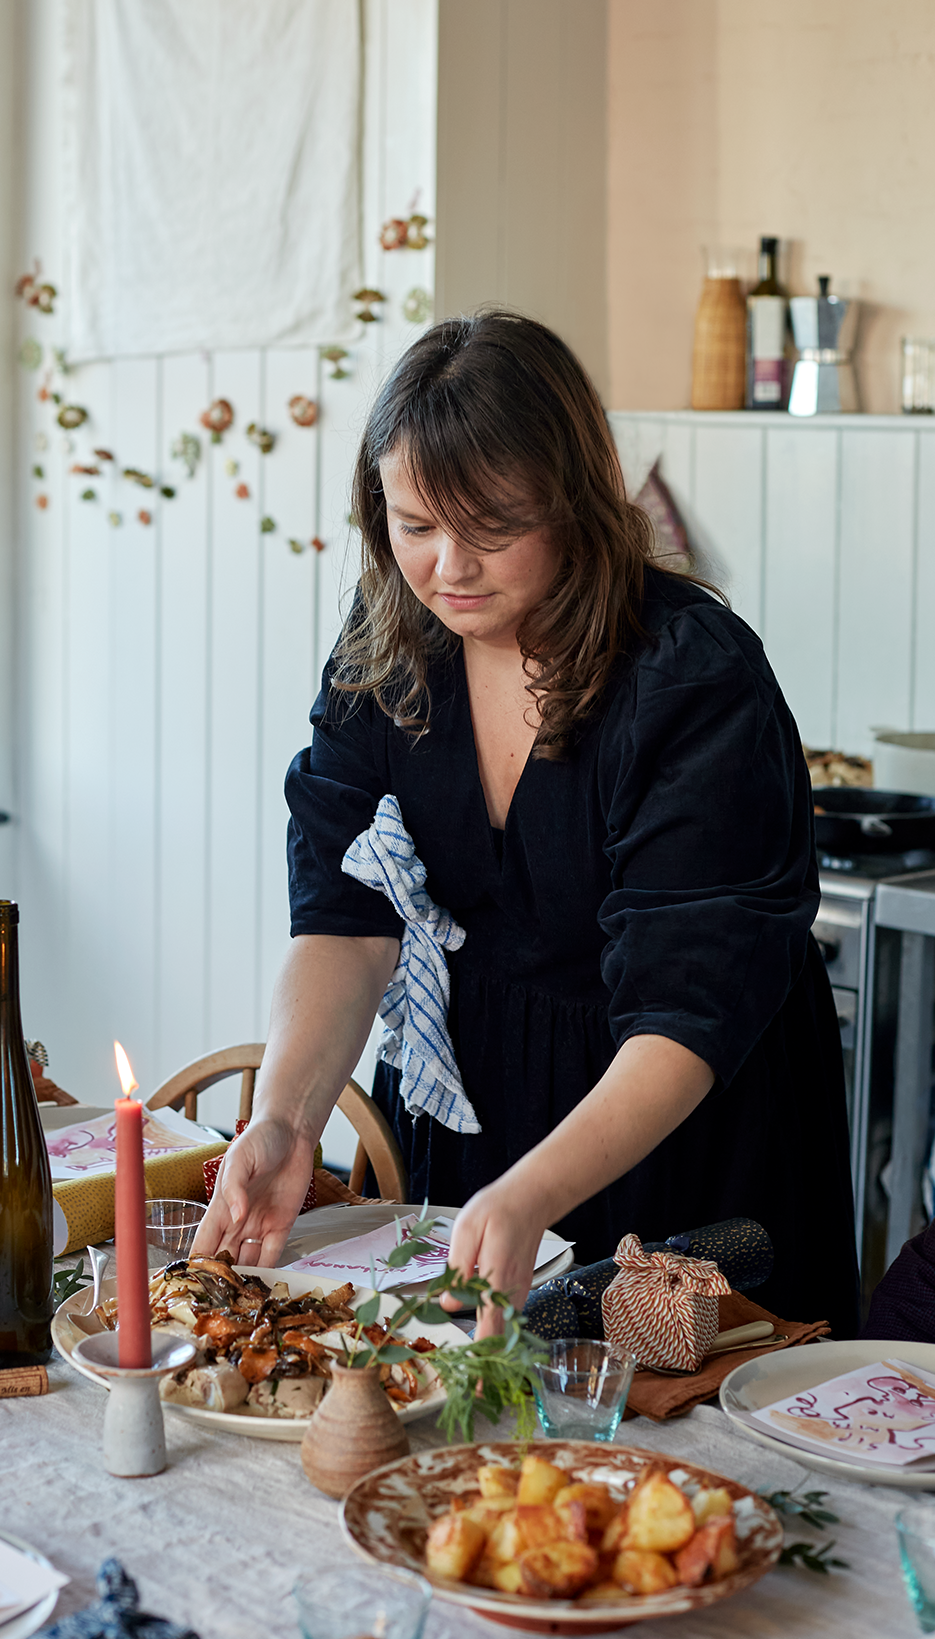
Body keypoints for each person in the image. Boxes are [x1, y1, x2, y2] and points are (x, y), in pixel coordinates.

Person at [192, 310, 856, 1332]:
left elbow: (686, 1005)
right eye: (413, 526)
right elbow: (345, 918)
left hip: (678, 1114)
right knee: (462, 1408)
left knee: (666, 1434)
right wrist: (284, 1118)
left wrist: (535, 1188)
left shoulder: (686, 675)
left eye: (490, 525)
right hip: (478, 1090)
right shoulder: (386, 656)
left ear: (574, 503)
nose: (447, 565)